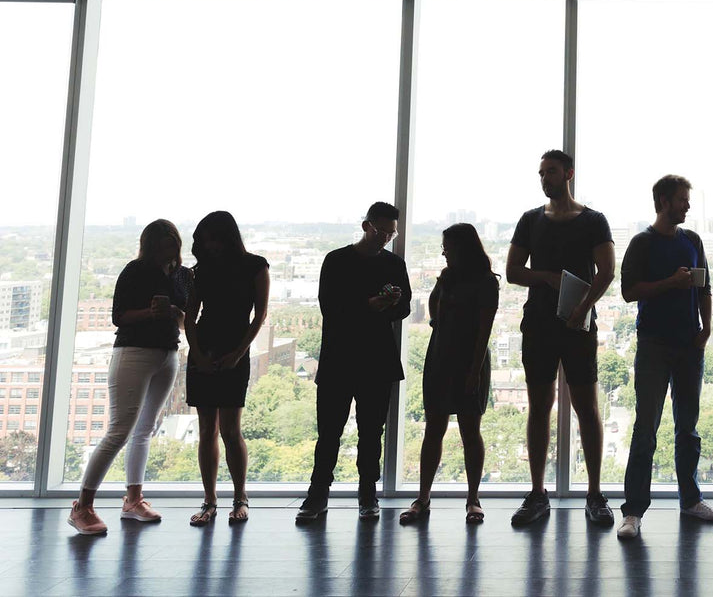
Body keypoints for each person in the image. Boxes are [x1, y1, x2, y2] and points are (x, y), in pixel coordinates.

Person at [506, 150, 616, 527]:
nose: (544, 179)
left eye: (550, 172)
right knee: (539, 406)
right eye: (540, 173)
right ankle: (538, 494)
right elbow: (512, 272)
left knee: (587, 407)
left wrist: (582, 307)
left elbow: (607, 271)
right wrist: (550, 279)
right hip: (538, 322)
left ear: (569, 173)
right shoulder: (529, 220)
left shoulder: (594, 220)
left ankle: (595, 494)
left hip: (579, 325)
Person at [616, 175, 713, 539]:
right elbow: (629, 291)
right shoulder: (641, 243)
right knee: (645, 428)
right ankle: (633, 511)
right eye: (681, 199)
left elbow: (704, 285)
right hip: (654, 344)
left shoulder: (692, 240)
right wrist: (670, 283)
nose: (687, 206)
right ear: (662, 200)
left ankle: (691, 500)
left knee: (688, 428)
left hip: (689, 345)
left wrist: (706, 328)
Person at [68, 220, 193, 535]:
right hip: (133, 352)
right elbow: (118, 316)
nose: (170, 249)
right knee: (120, 431)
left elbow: (185, 321)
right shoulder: (134, 271)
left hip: (168, 354)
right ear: (150, 245)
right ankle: (82, 506)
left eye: (173, 243)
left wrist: (175, 313)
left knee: (145, 430)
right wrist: (151, 312)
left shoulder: (182, 275)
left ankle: (133, 499)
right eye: (163, 244)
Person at [296, 202, 411, 523]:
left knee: (371, 432)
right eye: (382, 231)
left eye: (392, 232)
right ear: (366, 226)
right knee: (330, 431)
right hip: (345, 359)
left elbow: (404, 309)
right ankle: (320, 494)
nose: (387, 237)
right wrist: (375, 305)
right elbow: (330, 308)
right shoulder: (336, 260)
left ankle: (361, 494)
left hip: (366, 359)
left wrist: (390, 304)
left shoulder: (392, 264)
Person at [401, 224, 499, 526]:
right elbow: (434, 309)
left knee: (470, 430)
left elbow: (485, 330)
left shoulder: (486, 282)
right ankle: (423, 497)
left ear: (461, 247)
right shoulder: (449, 277)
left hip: (468, 360)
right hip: (442, 357)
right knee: (435, 428)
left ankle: (472, 499)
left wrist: (474, 371)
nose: (443, 251)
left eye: (446, 246)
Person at [184, 211, 270, 526]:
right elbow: (189, 318)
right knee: (207, 430)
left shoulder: (256, 266)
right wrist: (198, 354)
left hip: (235, 350)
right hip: (204, 350)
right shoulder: (198, 272)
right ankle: (209, 500)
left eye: (214, 239)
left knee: (230, 430)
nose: (210, 246)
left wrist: (238, 353)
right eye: (205, 241)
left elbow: (259, 316)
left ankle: (240, 498)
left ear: (227, 237)